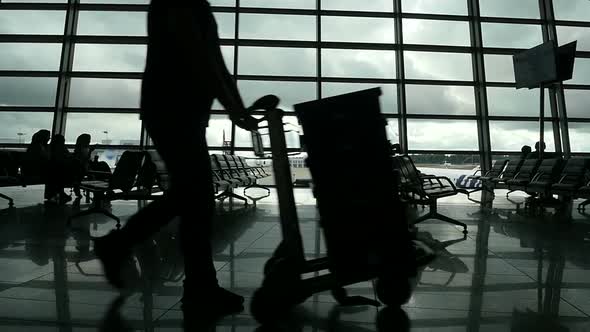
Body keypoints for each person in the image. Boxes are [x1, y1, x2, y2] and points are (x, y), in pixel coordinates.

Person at [93, 0, 258, 320]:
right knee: (194, 198)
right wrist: (235, 108)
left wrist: (237, 109)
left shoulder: (197, 6)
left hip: (183, 112)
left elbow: (215, 63)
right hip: (172, 110)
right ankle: (197, 286)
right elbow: (200, 58)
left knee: (192, 198)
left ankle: (195, 285)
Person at [46, 134, 74, 204]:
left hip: (51, 169)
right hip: (56, 170)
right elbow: (68, 156)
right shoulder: (61, 148)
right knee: (60, 172)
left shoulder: (50, 148)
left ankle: (57, 193)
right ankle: (60, 192)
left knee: (59, 171)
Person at [72, 134, 93, 198]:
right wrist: (90, 152)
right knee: (103, 165)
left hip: (83, 166)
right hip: (83, 166)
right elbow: (85, 159)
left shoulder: (79, 149)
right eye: (89, 140)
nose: (89, 141)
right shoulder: (84, 149)